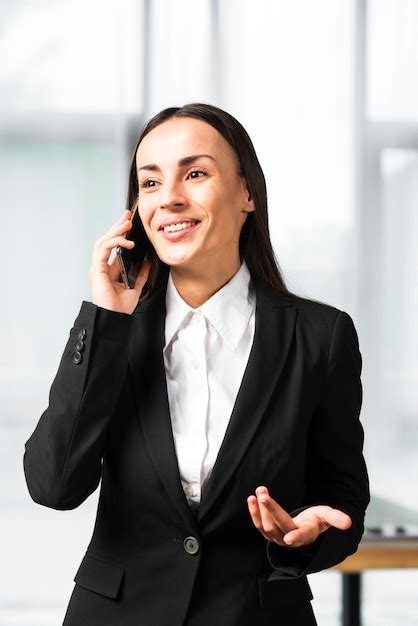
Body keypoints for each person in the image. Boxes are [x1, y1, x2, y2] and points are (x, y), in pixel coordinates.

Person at [23, 102, 369, 626]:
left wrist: (307, 536)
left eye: (196, 173)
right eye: (151, 183)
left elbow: (342, 499)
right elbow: (53, 485)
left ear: (247, 192)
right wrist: (103, 322)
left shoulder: (320, 337)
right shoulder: (115, 330)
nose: (170, 199)